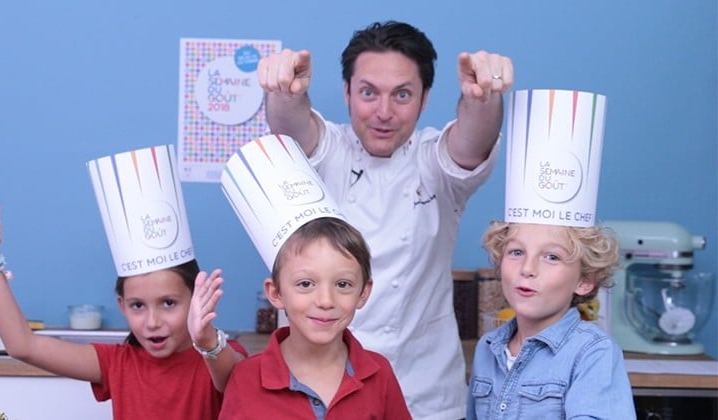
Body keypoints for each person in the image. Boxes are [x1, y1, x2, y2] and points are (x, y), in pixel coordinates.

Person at [257, 20, 513, 419]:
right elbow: (289, 128)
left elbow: (472, 140)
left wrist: (485, 97)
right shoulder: (327, 151)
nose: (384, 112)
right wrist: (283, 91)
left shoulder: (435, 161)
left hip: (422, 393)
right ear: (347, 92)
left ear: (425, 98)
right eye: (368, 93)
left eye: (402, 95)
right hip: (314, 392)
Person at [0, 182, 247, 420]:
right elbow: (22, 345)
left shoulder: (218, 355)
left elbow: (232, 376)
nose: (152, 322)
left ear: (196, 300)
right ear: (121, 305)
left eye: (168, 303)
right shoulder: (118, 364)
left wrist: (207, 341)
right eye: (138, 305)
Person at [219, 217, 411, 419]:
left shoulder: (379, 373)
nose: (326, 301)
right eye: (305, 284)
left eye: (343, 284)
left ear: (363, 292)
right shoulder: (245, 378)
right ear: (276, 293)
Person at [467, 221, 635, 419]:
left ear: (584, 281)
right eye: (517, 252)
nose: (527, 268)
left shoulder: (593, 352)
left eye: (552, 257)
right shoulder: (487, 347)